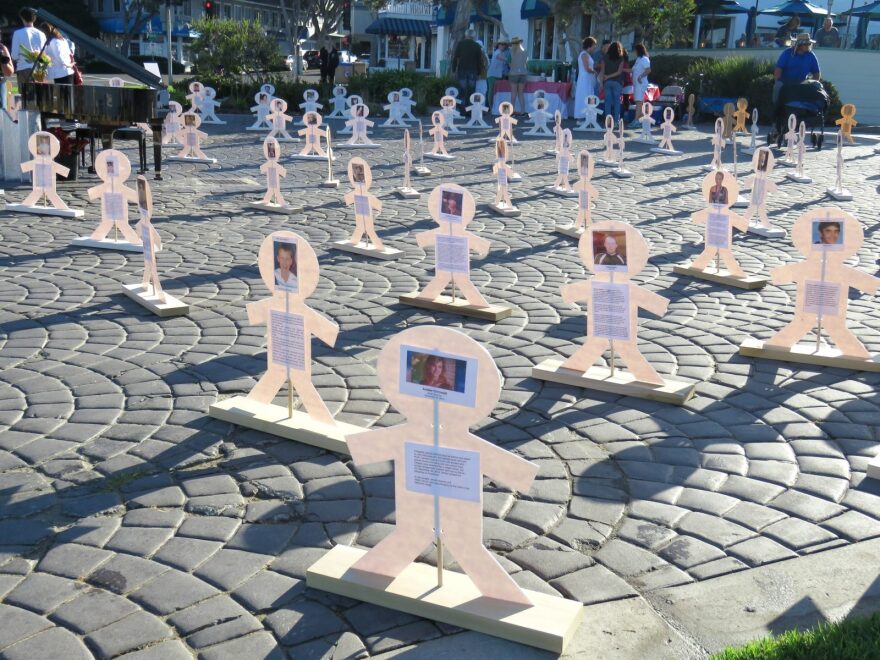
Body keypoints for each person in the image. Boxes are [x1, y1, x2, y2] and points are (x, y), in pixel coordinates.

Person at [772, 33, 820, 110]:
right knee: (778, 86)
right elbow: (778, 69)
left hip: (802, 83)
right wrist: (777, 80)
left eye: (809, 44)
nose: (808, 45)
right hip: (785, 82)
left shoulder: (811, 56)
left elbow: (816, 73)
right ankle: (776, 112)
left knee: (817, 88)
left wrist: (812, 83)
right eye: (806, 44)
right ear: (799, 44)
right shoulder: (787, 53)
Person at [11, 7, 46, 87]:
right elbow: (45, 55)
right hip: (39, 70)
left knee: (26, 97)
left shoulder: (18, 33)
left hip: (24, 68)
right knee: (39, 96)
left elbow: (14, 56)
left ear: (22, 18)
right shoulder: (41, 34)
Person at [451, 29, 486, 99]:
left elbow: (455, 58)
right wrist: (479, 73)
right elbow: (479, 61)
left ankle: (462, 107)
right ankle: (470, 107)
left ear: (466, 35)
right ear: (474, 36)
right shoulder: (476, 46)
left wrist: (454, 70)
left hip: (462, 69)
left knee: (462, 90)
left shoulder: (460, 44)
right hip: (473, 71)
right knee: (471, 91)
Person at [600, 41, 626, 123]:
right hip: (617, 82)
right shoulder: (621, 58)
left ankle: (607, 120)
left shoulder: (604, 58)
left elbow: (602, 71)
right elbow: (619, 72)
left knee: (607, 101)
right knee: (617, 102)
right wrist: (610, 76)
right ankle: (616, 121)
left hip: (607, 82)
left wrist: (602, 82)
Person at [574, 37, 597, 120]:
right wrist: (594, 71)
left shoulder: (586, 54)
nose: (595, 47)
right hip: (585, 79)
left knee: (589, 95)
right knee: (584, 95)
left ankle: (589, 116)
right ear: (590, 45)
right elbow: (587, 68)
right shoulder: (584, 54)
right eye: (594, 45)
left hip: (588, 78)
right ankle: (581, 116)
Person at [630, 44, 651, 126]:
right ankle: (641, 118)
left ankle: (636, 120)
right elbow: (633, 70)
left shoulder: (645, 59)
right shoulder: (638, 59)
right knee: (639, 101)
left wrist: (640, 76)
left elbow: (648, 70)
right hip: (636, 84)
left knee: (639, 101)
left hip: (641, 83)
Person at [486, 39, 510, 110]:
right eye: (501, 44)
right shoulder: (497, 52)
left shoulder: (502, 52)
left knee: (495, 91)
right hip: (492, 74)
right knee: (491, 91)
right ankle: (490, 107)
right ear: (498, 45)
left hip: (498, 75)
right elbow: (502, 58)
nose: (503, 46)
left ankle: (493, 106)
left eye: (504, 45)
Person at [508, 36, 528, 116]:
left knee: (513, 93)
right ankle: (522, 111)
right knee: (520, 93)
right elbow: (526, 63)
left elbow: (509, 64)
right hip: (523, 73)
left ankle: (512, 111)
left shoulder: (510, 52)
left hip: (513, 73)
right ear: (520, 43)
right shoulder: (525, 51)